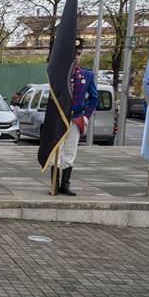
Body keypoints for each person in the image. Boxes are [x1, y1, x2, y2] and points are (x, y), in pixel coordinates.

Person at [53, 37, 97, 196]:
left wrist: (86, 116)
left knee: (70, 152)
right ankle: (54, 184)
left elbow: (94, 98)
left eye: (78, 53)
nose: (76, 56)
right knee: (57, 151)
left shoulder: (87, 74)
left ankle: (65, 184)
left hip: (76, 118)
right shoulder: (59, 73)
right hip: (59, 119)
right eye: (73, 53)